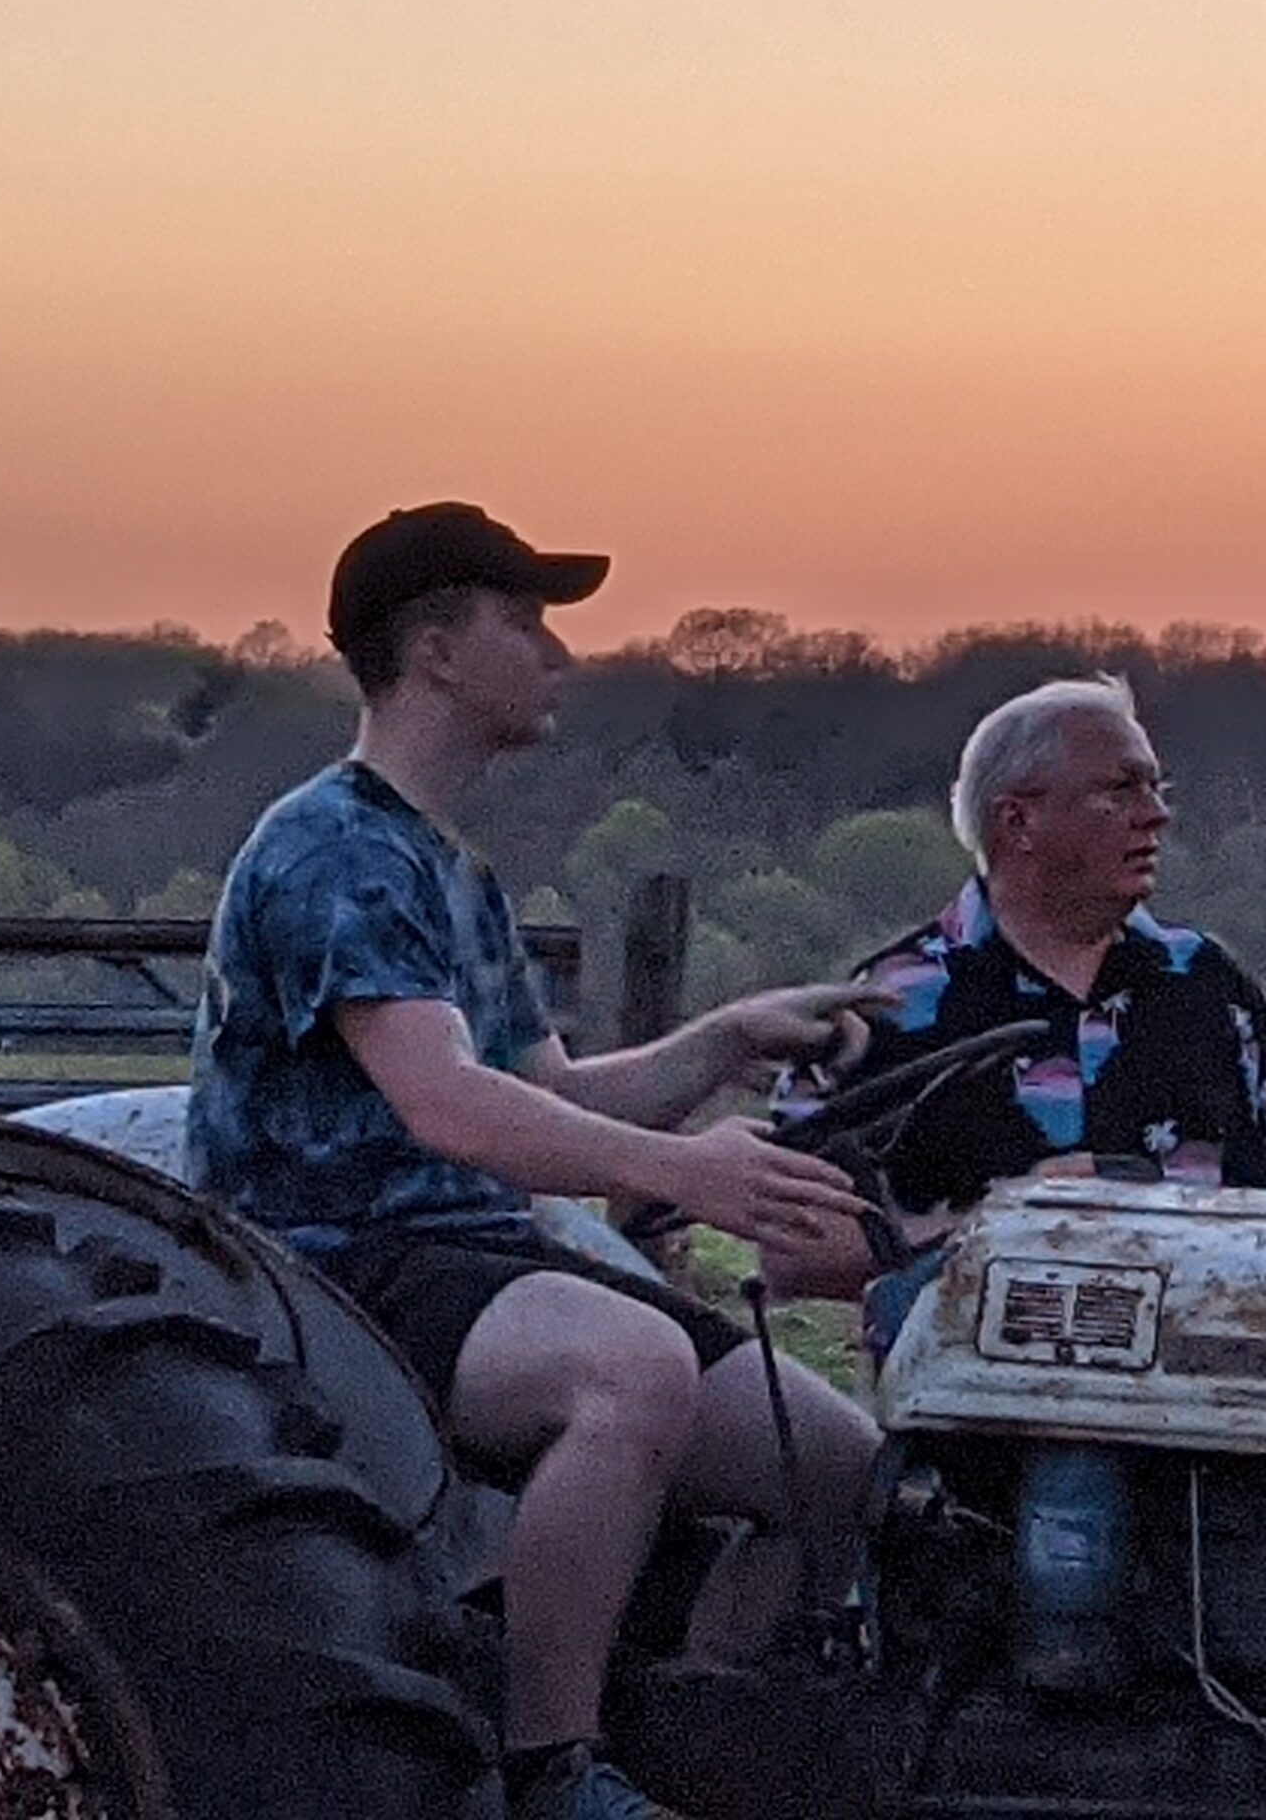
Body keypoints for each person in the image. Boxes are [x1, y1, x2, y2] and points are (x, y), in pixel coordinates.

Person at [188, 502, 885, 1820]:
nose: (557, 656)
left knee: (834, 1457)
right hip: (333, 1271)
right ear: (438, 650)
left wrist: (725, 1040)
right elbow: (448, 1105)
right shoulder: (331, 849)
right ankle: (548, 1771)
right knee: (626, 1367)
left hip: (476, 1260)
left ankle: (692, 1733)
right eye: (526, 624)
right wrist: (684, 1176)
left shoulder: (450, 873)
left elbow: (549, 1094)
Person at [780, 676, 1266, 1294]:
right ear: (1018, 821)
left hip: (1201, 1377)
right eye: (1119, 790)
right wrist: (1013, 1221)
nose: (1156, 814)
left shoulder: (1209, 985)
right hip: (974, 1382)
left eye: (1156, 787)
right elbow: (794, 1257)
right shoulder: (891, 1001)